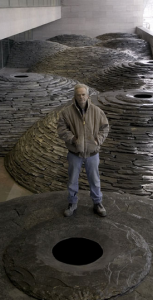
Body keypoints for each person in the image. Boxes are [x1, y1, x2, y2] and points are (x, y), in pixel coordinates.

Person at [57, 84, 109, 217]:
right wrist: (74, 140)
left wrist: (97, 141)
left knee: (95, 180)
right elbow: (62, 129)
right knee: (73, 180)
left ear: (88, 95)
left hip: (92, 153)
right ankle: (72, 203)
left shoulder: (97, 111)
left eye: (83, 94)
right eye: (78, 95)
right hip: (75, 153)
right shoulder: (66, 112)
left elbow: (105, 127)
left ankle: (98, 203)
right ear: (74, 96)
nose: (81, 97)